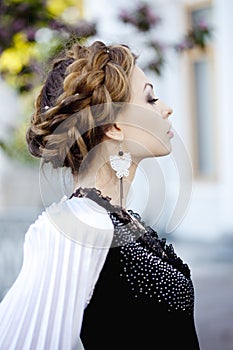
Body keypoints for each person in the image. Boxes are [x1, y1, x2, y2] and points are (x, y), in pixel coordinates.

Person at [0, 40, 200, 349]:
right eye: (151, 99)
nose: (166, 108)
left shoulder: (121, 219)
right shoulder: (78, 225)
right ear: (114, 126)